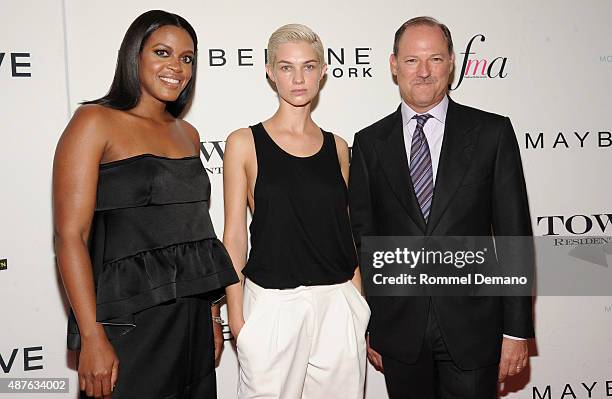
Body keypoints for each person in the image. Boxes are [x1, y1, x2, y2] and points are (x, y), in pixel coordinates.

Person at [53, 10, 238, 398]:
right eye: (163, 52)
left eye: (187, 58)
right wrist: (92, 336)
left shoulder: (188, 133)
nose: (177, 67)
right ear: (134, 55)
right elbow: (71, 236)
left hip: (190, 320)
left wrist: (212, 314)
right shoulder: (94, 121)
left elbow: (195, 231)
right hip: (128, 322)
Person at [348, 16, 534, 399]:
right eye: (412, 60)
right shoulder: (368, 143)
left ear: (451, 62)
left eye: (434, 59)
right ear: (393, 65)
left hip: (474, 329)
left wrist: (516, 331)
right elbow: (365, 243)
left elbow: (514, 236)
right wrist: (372, 324)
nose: (423, 72)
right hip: (400, 333)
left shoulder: (491, 133)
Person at [222, 23, 370, 399]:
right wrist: (237, 318)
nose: (298, 78)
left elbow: (345, 228)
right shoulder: (244, 142)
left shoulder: (338, 147)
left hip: (338, 304)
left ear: (323, 71)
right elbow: (235, 235)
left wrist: (359, 302)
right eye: (286, 67)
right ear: (270, 72)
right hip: (273, 305)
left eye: (308, 66)